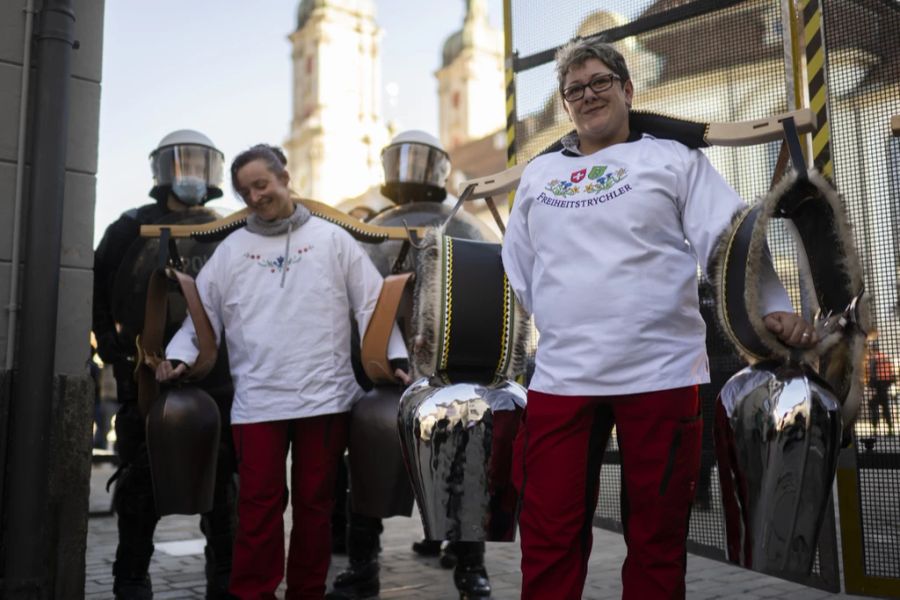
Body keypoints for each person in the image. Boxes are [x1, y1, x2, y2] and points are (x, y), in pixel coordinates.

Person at [500, 39, 818, 599]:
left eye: (600, 82)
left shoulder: (675, 158)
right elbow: (521, 268)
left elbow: (729, 240)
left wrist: (775, 308)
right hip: (562, 379)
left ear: (627, 89)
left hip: (661, 375)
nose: (587, 95)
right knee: (548, 534)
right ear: (566, 105)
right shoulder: (538, 175)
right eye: (574, 90)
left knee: (656, 539)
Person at [156, 143, 409, 599]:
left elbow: (373, 306)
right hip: (258, 400)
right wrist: (180, 357)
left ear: (285, 178)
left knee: (315, 507)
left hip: (325, 396)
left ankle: (307, 592)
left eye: (261, 184)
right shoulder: (232, 250)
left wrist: (396, 360)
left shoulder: (334, 240)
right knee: (257, 507)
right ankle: (252, 592)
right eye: (244, 191)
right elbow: (203, 313)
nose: (255, 197)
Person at [327, 130, 493, 600]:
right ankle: (363, 564)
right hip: (386, 371)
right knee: (367, 447)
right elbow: (359, 305)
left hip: (455, 369)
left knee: (466, 457)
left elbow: (483, 294)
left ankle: (470, 564)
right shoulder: (373, 228)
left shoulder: (464, 226)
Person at [92, 129, 237, 600]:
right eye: (183, 163)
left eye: (200, 164)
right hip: (143, 376)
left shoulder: (227, 228)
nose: (190, 174)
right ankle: (131, 575)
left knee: (222, 482)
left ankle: (224, 577)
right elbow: (96, 291)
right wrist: (115, 353)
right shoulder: (127, 228)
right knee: (140, 479)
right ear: (164, 169)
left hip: (218, 378)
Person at [867, 339, 895, 434]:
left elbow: (872, 373)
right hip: (885, 386)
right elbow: (891, 372)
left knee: (873, 405)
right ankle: (890, 428)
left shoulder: (873, 358)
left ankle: (874, 428)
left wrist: (870, 385)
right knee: (885, 407)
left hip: (877, 386)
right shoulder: (885, 356)